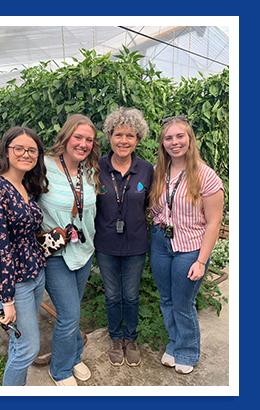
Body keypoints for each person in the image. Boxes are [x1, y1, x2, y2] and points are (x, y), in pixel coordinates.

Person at [149, 116, 224, 374]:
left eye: (180, 136)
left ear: (190, 139)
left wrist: (201, 261)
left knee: (183, 302)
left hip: (190, 247)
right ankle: (174, 343)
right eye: (168, 138)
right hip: (161, 243)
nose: (174, 142)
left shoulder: (206, 176)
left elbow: (214, 223)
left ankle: (188, 351)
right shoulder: (160, 171)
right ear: (163, 143)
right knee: (167, 299)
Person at [0, 126, 48, 386]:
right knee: (28, 348)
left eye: (32, 150)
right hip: (14, 283)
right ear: (6, 151)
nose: (26, 154)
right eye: (19, 148)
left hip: (35, 275)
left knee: (20, 346)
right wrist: (5, 298)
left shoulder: (26, 186)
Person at [38, 114, 99, 386]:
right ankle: (60, 369)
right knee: (69, 315)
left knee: (73, 310)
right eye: (78, 137)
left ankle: (74, 356)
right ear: (66, 136)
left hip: (84, 250)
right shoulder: (42, 168)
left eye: (89, 139)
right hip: (56, 254)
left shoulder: (90, 170)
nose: (83, 144)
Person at [94, 107, 154, 367]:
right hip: (106, 243)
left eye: (130, 135)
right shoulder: (97, 167)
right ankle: (115, 338)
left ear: (138, 139)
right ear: (110, 136)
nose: (124, 141)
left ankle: (131, 338)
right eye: (119, 134)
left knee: (130, 295)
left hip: (136, 244)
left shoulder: (146, 170)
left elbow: (150, 204)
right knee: (112, 296)